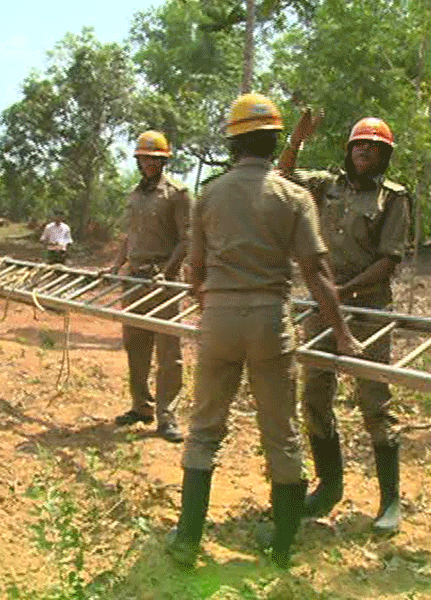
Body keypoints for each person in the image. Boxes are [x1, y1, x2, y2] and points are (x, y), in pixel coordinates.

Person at [165, 94, 361, 569]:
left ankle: (188, 541)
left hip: (219, 320)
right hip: (271, 322)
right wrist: (342, 333)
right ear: (275, 141)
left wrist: (212, 305)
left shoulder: (208, 194)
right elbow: (317, 274)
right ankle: (282, 548)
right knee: (282, 433)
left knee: (205, 429)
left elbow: (194, 272)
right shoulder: (293, 197)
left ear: (233, 143)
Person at [290, 117, 411, 535]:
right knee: (315, 395)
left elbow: (389, 259)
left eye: (374, 149)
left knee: (375, 401)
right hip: (323, 306)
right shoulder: (327, 185)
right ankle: (329, 486)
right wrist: (296, 142)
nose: (365, 153)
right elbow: (282, 176)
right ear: (349, 150)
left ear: (384, 156)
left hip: (368, 308)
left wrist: (344, 290)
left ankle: (389, 501)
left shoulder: (393, 198)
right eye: (359, 146)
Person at [101, 131, 192, 443]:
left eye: (155, 158)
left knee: (169, 352)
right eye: (144, 158)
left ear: (164, 160)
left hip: (163, 280)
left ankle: (167, 417)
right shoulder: (134, 195)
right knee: (135, 345)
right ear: (138, 160)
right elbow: (128, 236)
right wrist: (116, 266)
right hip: (134, 279)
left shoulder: (178, 194)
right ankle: (141, 407)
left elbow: (186, 239)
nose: (148, 163)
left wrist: (167, 273)